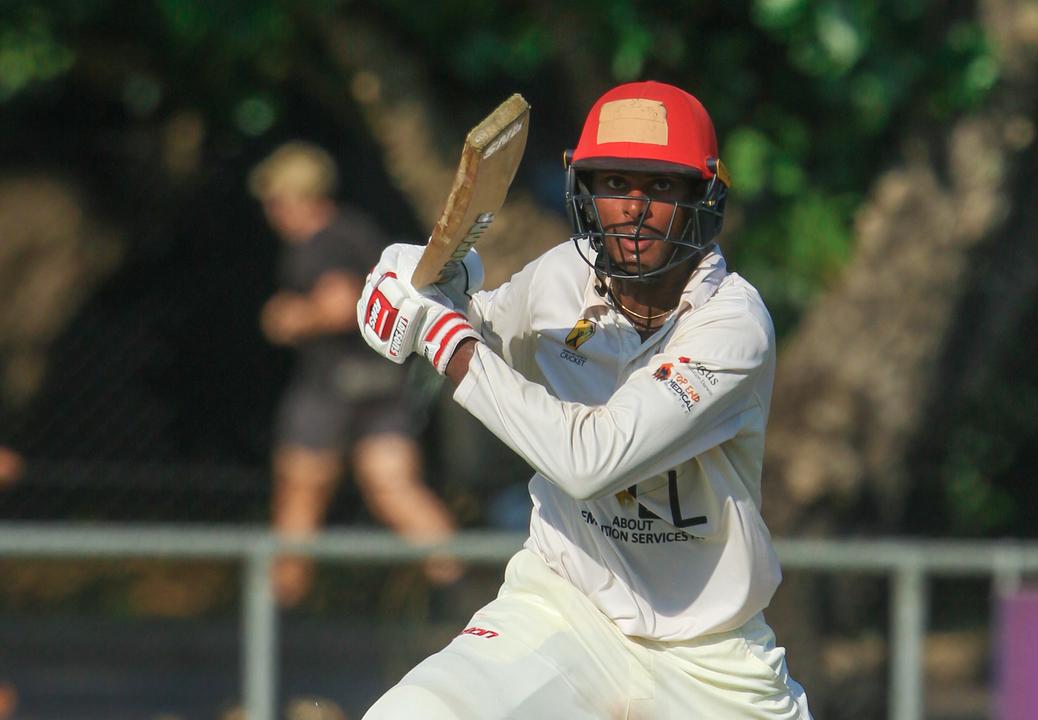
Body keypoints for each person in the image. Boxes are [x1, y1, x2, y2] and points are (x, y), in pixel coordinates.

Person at [356, 81, 810, 718]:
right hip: (564, 605)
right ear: (586, 189)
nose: (635, 208)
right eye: (616, 184)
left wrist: (442, 339)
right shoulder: (562, 275)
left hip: (709, 656)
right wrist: (427, 294)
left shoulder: (734, 323)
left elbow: (591, 461)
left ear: (702, 197)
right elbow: (479, 338)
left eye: (661, 187)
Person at [249, 142, 459, 606]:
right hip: (382, 384)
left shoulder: (318, 244)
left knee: (300, 496)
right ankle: (461, 589)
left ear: (291, 197)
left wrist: (288, 317)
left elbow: (340, 304)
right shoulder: (357, 231)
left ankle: (277, 619)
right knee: (396, 489)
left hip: (329, 390)